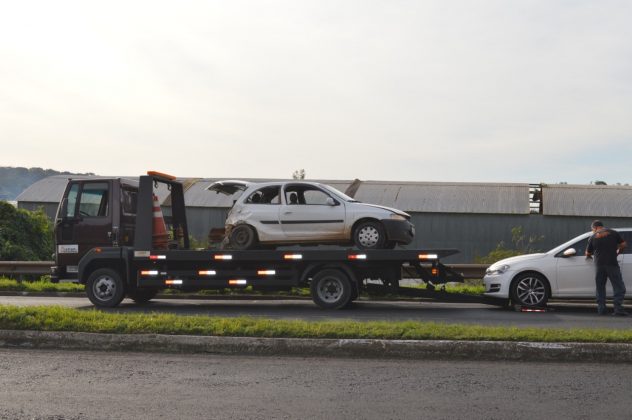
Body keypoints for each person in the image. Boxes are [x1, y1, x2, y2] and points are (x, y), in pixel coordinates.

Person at [585, 220, 628, 316]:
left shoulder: (592, 237)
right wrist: (618, 252)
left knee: (600, 287)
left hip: (599, 265)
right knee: (618, 287)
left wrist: (591, 254)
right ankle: (618, 309)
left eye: (592, 229)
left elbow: (587, 253)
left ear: (595, 228)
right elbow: (623, 245)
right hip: (612, 264)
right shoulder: (613, 233)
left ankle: (601, 310)